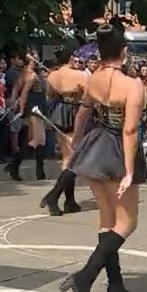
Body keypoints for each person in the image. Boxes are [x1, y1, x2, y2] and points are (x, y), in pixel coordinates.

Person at [58, 25, 147, 292]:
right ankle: (85, 277)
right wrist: (130, 170)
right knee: (127, 223)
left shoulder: (93, 78)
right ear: (123, 51)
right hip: (119, 149)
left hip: (95, 147)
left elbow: (84, 111)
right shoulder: (133, 85)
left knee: (107, 220)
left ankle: (116, 286)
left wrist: (76, 140)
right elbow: (130, 129)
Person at [37, 47, 89, 216]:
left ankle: (70, 201)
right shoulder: (80, 75)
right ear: (70, 58)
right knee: (74, 159)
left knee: (67, 157)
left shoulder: (52, 75)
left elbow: (50, 95)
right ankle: (54, 196)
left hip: (58, 112)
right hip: (74, 112)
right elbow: (89, 96)